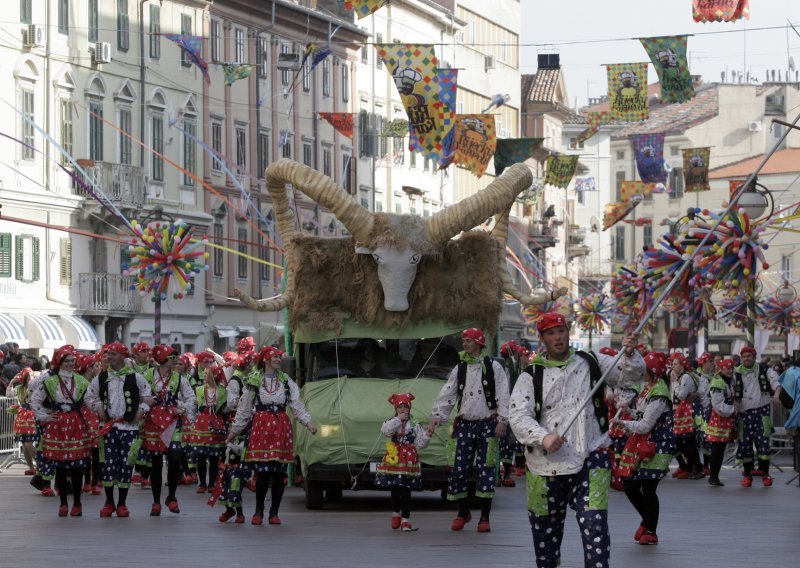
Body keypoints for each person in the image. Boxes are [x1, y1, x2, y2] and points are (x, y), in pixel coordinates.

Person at [509, 312, 644, 568]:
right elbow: (517, 415)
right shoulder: (531, 375)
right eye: (551, 333)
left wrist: (628, 353)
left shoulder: (592, 361)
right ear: (542, 338)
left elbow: (630, 376)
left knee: (595, 528)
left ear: (568, 332)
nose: (558, 337)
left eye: (561, 331)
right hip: (543, 467)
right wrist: (543, 436)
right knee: (545, 541)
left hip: (590, 458)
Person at [428, 327, 509, 533]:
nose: (465, 344)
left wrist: (502, 420)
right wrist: (437, 415)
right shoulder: (460, 368)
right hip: (464, 425)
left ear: (479, 343)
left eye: (468, 341)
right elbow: (448, 394)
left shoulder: (494, 368)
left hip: (488, 424)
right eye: (463, 341)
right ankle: (463, 512)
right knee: (458, 469)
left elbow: (503, 394)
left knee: (486, 470)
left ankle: (484, 517)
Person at [226, 345, 317, 525]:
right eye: (275, 357)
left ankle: (274, 512)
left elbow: (296, 404)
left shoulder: (285, 381)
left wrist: (308, 422)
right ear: (266, 360)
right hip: (261, 428)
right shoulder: (254, 380)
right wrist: (235, 431)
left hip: (281, 429)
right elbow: (244, 408)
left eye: (279, 357)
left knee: (278, 473)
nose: (278, 360)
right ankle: (259, 511)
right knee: (263, 472)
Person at [84, 342, 153, 518]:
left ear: (123, 356)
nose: (109, 357)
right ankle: (109, 502)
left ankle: (122, 503)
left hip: (129, 428)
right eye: (108, 354)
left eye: (113, 354)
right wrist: (98, 408)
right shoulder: (101, 377)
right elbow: (89, 395)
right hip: (108, 428)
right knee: (107, 464)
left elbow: (148, 396)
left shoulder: (135, 377)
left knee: (126, 464)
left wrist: (141, 410)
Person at [614, 351, 675, 546]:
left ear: (654, 371)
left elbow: (646, 425)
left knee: (648, 488)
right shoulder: (649, 388)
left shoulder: (659, 393)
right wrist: (629, 411)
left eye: (644, 369)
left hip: (656, 444)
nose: (641, 372)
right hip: (643, 442)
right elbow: (642, 416)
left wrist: (622, 423)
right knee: (630, 485)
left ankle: (651, 530)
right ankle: (646, 520)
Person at [29, 345, 91, 517]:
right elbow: (34, 400)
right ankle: (63, 503)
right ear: (60, 363)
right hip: (57, 424)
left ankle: (77, 502)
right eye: (68, 361)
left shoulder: (81, 381)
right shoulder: (49, 381)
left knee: (78, 465)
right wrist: (44, 416)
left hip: (76, 425)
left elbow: (91, 401)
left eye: (73, 361)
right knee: (61, 466)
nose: (72, 364)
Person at [138, 345, 197, 516]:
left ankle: (171, 496)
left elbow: (191, 397)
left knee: (175, 456)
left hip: (172, 422)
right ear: (163, 358)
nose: (176, 361)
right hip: (153, 422)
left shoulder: (179, 378)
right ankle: (156, 501)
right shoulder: (147, 376)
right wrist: (146, 402)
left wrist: (183, 408)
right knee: (156, 462)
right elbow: (138, 394)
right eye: (172, 358)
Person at [375, 393, 431, 532]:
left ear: (409, 408)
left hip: (409, 459)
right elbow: (385, 431)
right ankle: (396, 512)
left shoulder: (415, 423)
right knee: (394, 488)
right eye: (399, 407)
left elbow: (420, 444)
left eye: (405, 407)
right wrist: (398, 420)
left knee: (406, 490)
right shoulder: (392, 421)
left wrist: (427, 435)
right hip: (394, 457)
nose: (402, 409)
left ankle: (406, 519)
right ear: (395, 408)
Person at [734, 346, 782, 487]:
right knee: (745, 445)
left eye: (749, 356)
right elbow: (727, 387)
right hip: (744, 414)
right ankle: (747, 475)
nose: (746, 358)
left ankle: (765, 475)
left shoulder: (764, 369)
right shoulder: (736, 372)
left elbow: (776, 383)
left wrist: (777, 396)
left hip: (762, 412)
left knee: (763, 444)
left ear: (754, 357)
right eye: (744, 356)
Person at [185, 364, 228, 494]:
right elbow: (192, 406)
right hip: (202, 424)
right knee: (201, 456)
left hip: (216, 423)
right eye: (203, 373)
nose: (204, 375)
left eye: (207, 373)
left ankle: (212, 483)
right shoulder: (199, 390)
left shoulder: (223, 391)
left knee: (214, 457)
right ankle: (202, 483)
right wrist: (191, 421)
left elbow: (227, 407)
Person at [669, 352, 704, 479]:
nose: (673, 366)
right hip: (681, 413)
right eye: (672, 364)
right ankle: (692, 467)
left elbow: (681, 395)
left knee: (684, 441)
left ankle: (697, 467)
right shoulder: (682, 376)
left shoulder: (686, 377)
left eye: (676, 364)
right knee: (685, 441)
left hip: (687, 414)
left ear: (682, 365)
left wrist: (674, 383)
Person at [706, 358, 737, 487]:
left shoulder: (730, 381)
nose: (729, 370)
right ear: (721, 369)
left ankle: (715, 476)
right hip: (719, 419)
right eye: (727, 368)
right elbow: (717, 404)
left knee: (720, 449)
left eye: (731, 368)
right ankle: (713, 477)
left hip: (726, 419)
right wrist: (733, 409)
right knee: (717, 449)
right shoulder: (718, 382)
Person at [75, 353, 103, 495]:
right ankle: (87, 481)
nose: (100, 367)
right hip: (83, 418)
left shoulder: (98, 381)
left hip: (94, 418)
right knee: (86, 451)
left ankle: (93, 481)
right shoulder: (79, 381)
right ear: (89, 368)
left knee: (94, 451)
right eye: (97, 365)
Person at [6, 368, 39, 475]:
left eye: (31, 375)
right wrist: (11, 382)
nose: (29, 378)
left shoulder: (36, 388)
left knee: (29, 444)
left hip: (32, 417)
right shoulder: (20, 388)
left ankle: (40, 465)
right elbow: (9, 395)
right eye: (27, 376)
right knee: (24, 445)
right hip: (22, 418)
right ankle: (31, 468)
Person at [211, 445, 249, 524]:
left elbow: (239, 451)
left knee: (235, 493)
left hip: (237, 472)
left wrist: (230, 443)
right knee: (223, 492)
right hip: (227, 471)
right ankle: (229, 510)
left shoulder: (242, 441)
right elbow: (224, 453)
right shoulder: (228, 441)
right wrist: (221, 463)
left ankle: (240, 514)